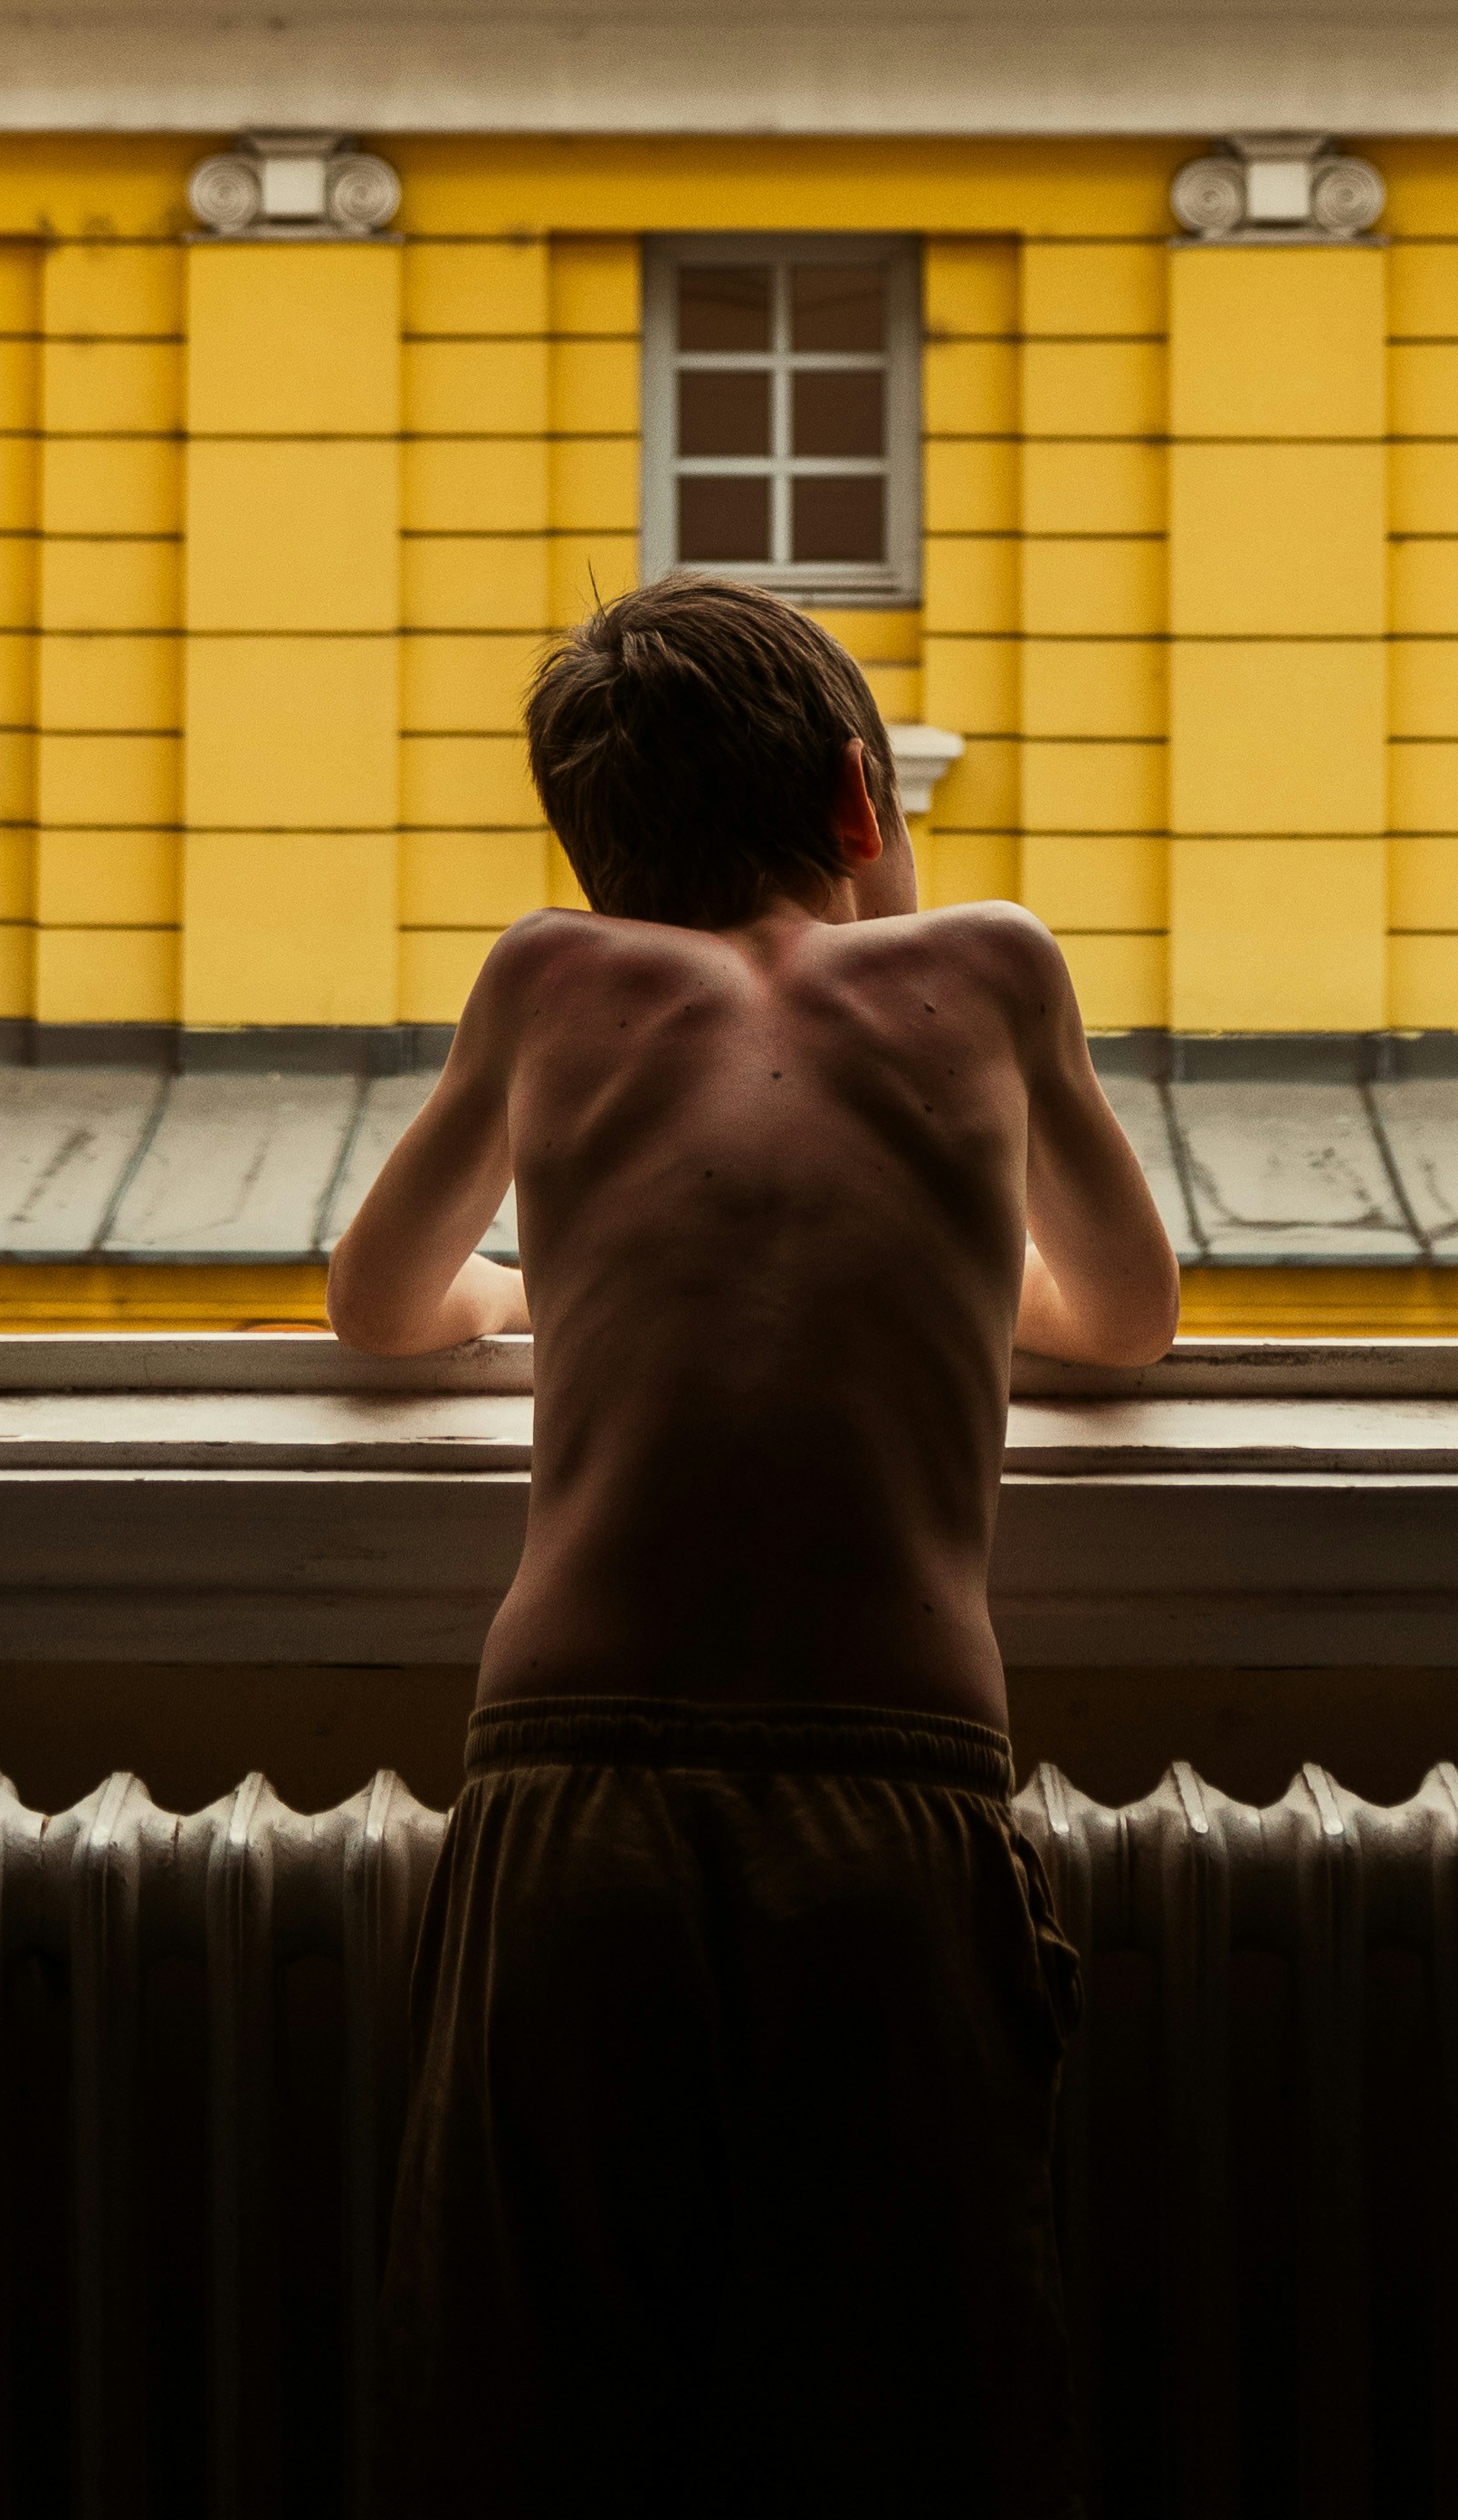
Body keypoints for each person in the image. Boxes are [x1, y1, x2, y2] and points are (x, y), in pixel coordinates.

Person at [329, 573, 1182, 2520]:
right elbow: (1129, 1316)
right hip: (892, 1788)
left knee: (532, 2406)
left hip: (570, 1785)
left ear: (598, 852)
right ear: (862, 797)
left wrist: (522, 1293)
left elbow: (376, 1300)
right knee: (910, 2412)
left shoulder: (551, 979)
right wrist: (947, 1280)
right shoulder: (993, 971)